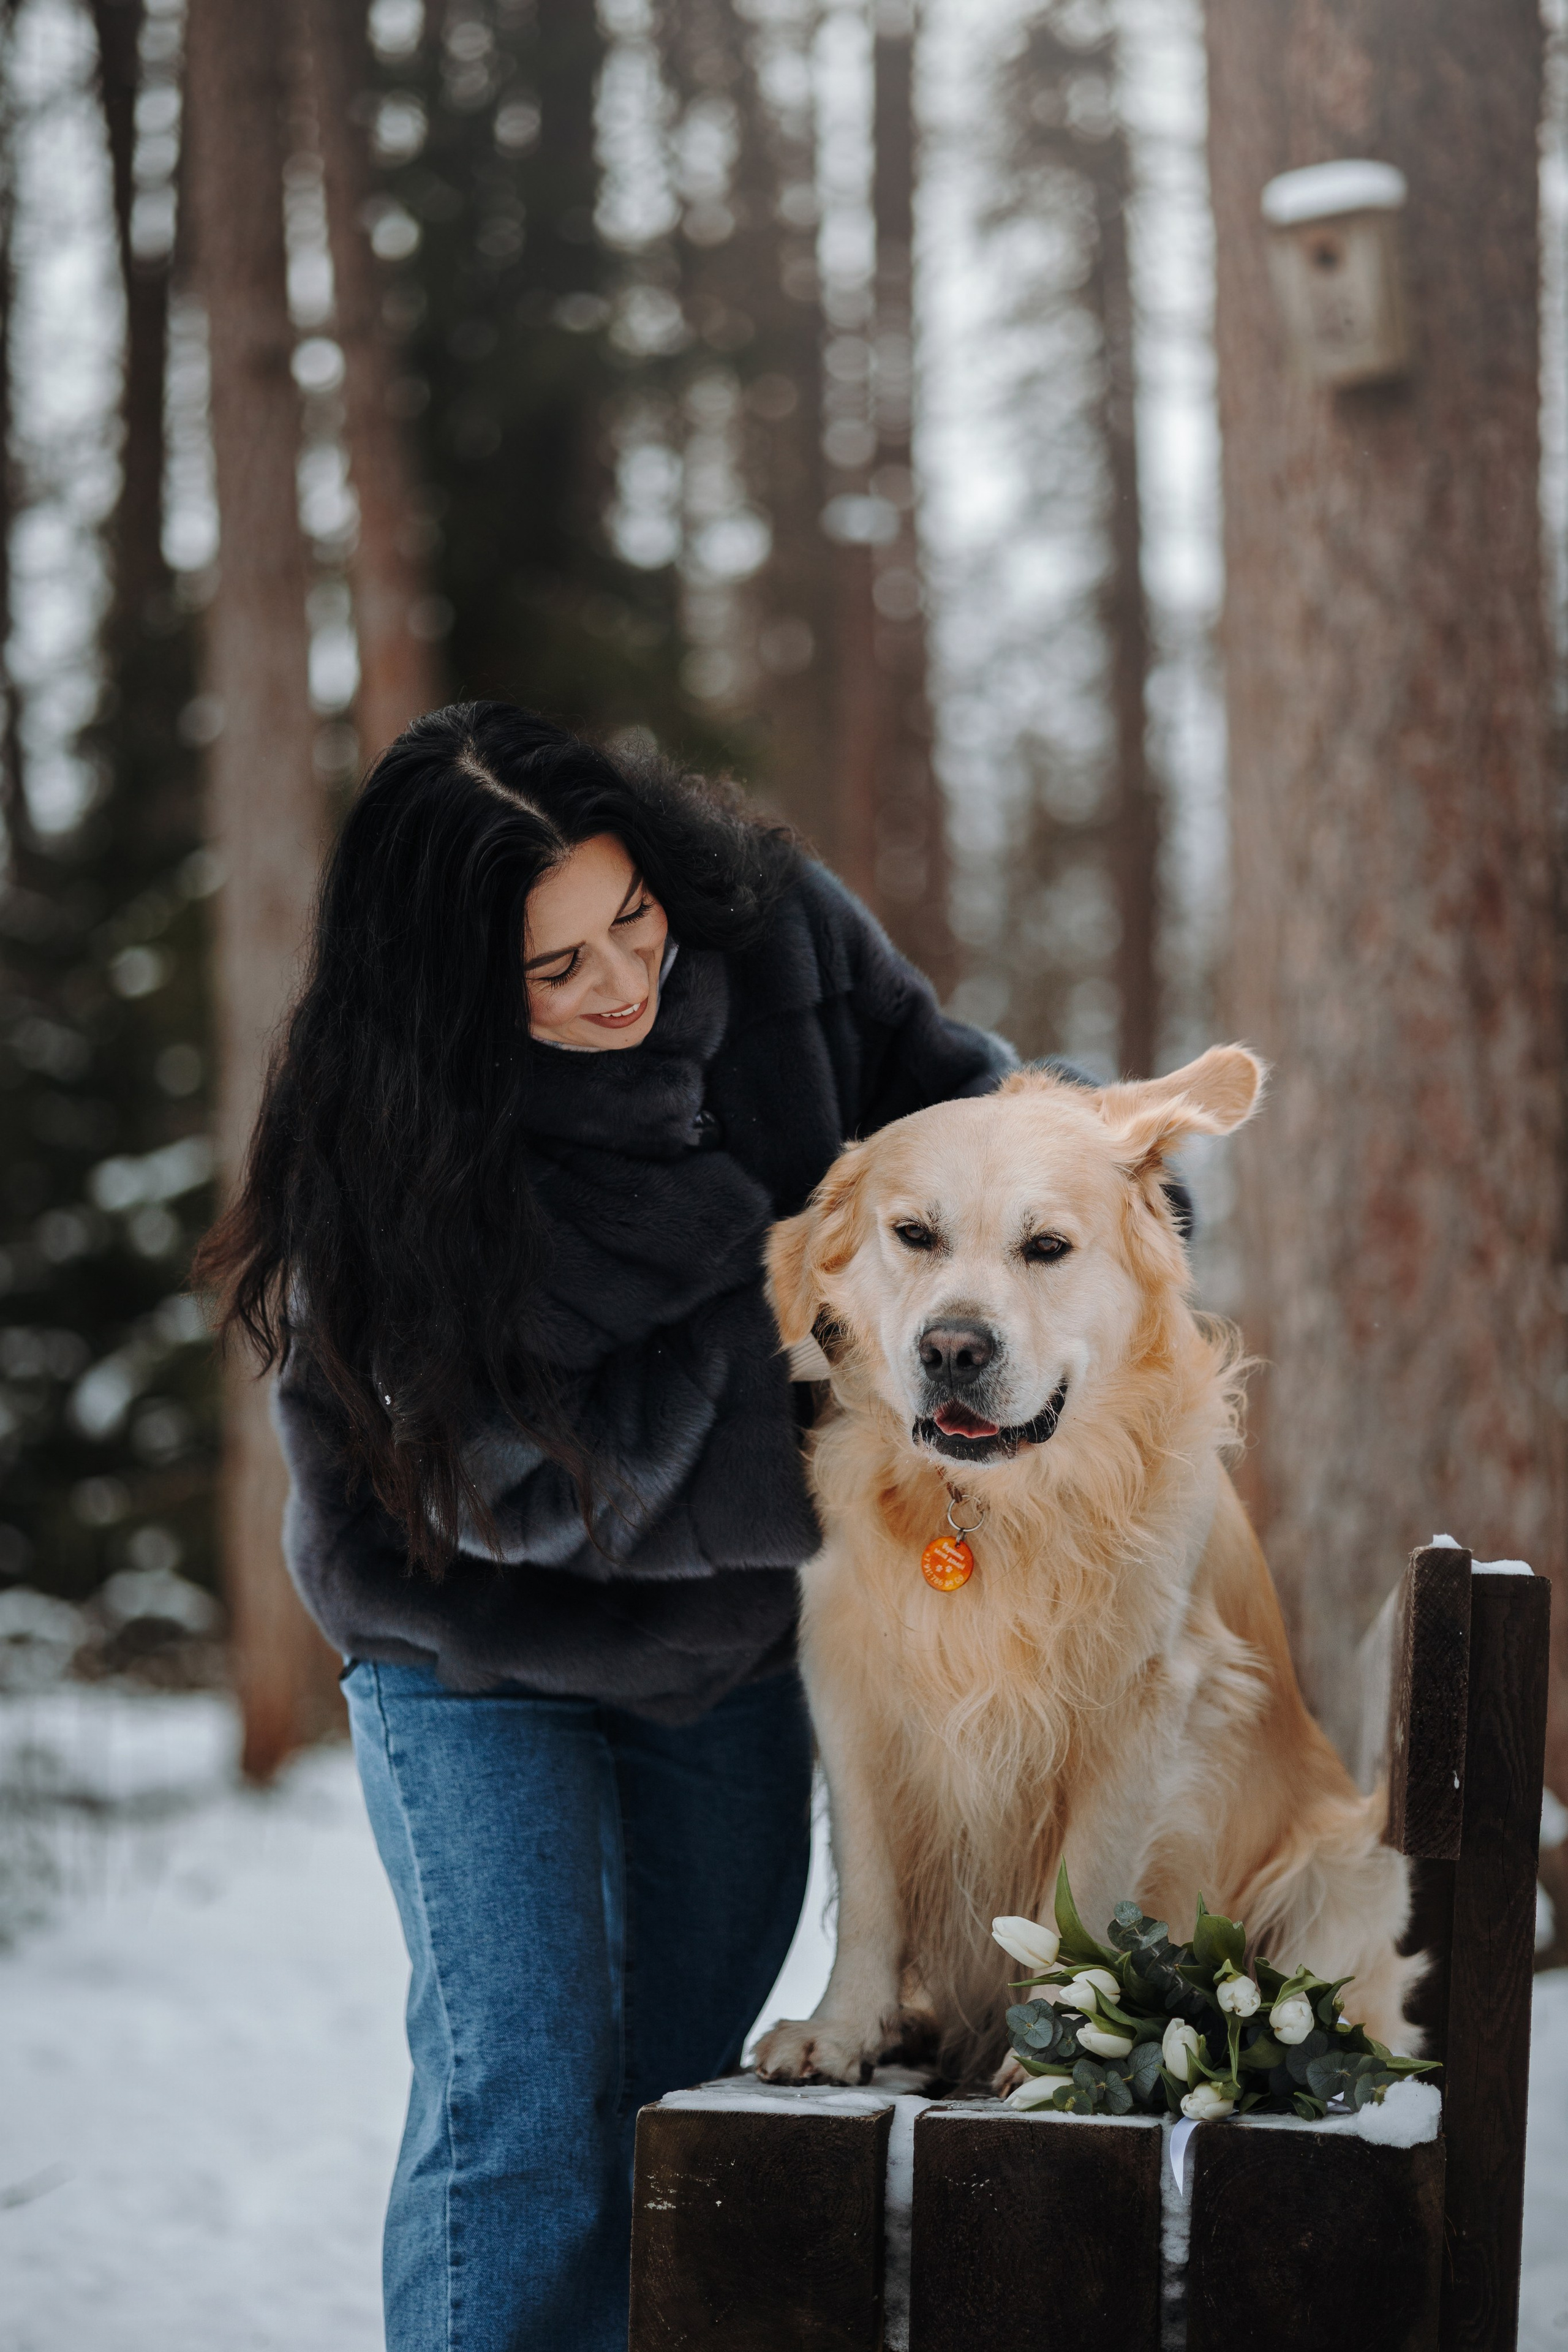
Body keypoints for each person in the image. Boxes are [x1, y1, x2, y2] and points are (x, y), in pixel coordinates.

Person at [195, 701, 1017, 2352]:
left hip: (724, 1655)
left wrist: (1085, 1226)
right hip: (468, 1642)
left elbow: (972, 1116)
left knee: (674, 2106)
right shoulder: (388, 1133)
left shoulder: (777, 935)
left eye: (632, 921)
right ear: (451, 991)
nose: (622, 981)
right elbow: (521, 1485)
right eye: (555, 968)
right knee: (519, 2094)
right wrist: (834, 1395)